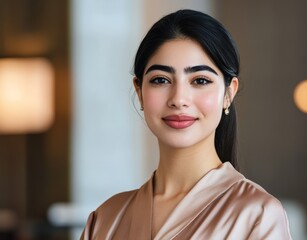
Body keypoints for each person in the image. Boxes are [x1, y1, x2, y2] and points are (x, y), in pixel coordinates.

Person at [80, 9, 292, 240]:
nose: (179, 99)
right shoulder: (106, 219)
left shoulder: (258, 215)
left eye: (200, 80)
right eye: (161, 80)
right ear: (139, 91)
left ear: (228, 93)